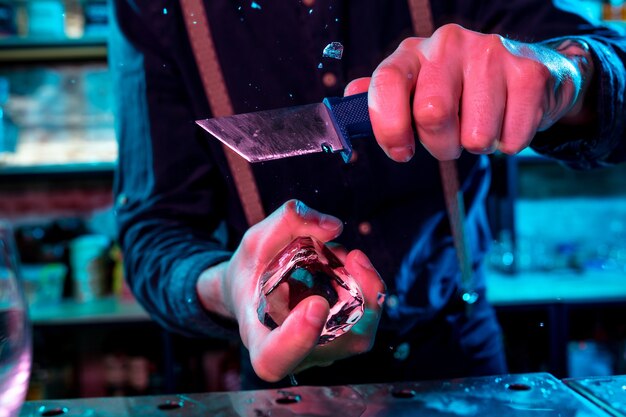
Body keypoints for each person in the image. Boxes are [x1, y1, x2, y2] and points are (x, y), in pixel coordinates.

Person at [108, 0, 626, 389]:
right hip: (286, 382)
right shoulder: (155, 9)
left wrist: (566, 76)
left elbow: (610, 63)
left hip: (458, 357)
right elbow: (154, 234)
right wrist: (230, 285)